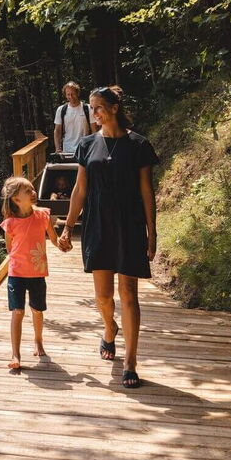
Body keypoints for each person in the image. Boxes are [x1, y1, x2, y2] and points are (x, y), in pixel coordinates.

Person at [59, 86, 158, 389]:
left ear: (114, 108)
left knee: (129, 293)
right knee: (103, 296)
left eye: (99, 107)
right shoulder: (88, 145)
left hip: (129, 225)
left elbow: (146, 190)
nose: (94, 113)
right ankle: (109, 327)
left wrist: (152, 231)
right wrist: (67, 226)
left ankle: (130, 361)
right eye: (91, 108)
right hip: (98, 225)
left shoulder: (138, 145)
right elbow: (80, 190)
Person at [0, 175, 64, 371]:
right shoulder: (10, 223)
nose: (33, 192)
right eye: (28, 191)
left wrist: (63, 243)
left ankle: (38, 341)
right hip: (17, 274)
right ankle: (15, 354)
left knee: (37, 310)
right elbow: (9, 248)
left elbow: (54, 239)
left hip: (37, 274)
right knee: (17, 311)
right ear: (16, 200)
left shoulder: (43, 216)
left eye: (32, 189)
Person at [54, 81, 97, 154]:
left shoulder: (88, 108)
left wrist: (94, 148)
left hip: (84, 150)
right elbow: (57, 131)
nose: (70, 97)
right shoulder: (61, 110)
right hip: (66, 151)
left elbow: (94, 130)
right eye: (68, 94)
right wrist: (58, 148)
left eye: (73, 94)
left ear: (77, 93)